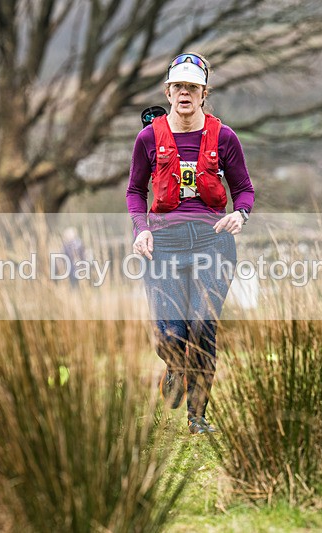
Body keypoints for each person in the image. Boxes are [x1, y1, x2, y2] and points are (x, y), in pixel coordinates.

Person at [126, 52, 255, 434]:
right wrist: (141, 229)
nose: (185, 93)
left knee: (201, 328)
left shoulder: (224, 137)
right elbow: (135, 191)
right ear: (168, 92)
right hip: (163, 244)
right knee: (171, 335)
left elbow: (244, 189)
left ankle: (197, 417)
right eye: (179, 87)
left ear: (203, 93)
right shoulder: (148, 138)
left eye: (192, 88)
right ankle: (174, 366)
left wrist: (240, 214)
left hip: (212, 242)